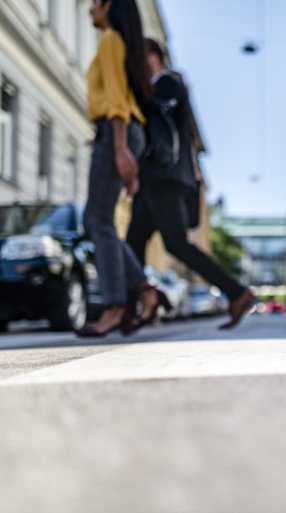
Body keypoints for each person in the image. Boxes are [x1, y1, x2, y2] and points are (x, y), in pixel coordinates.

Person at [127, 38, 255, 330]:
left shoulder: (168, 85)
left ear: (153, 58)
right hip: (151, 181)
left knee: (175, 244)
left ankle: (237, 292)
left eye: (139, 58)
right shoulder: (159, 89)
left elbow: (154, 126)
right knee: (133, 243)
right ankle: (138, 304)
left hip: (167, 180)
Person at [77, 0, 169, 337]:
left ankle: (116, 307)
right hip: (120, 130)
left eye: (94, 3)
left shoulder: (111, 40)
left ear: (108, 5)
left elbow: (116, 98)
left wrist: (117, 147)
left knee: (97, 220)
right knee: (100, 221)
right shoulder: (119, 42)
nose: (89, 9)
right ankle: (145, 291)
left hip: (119, 130)